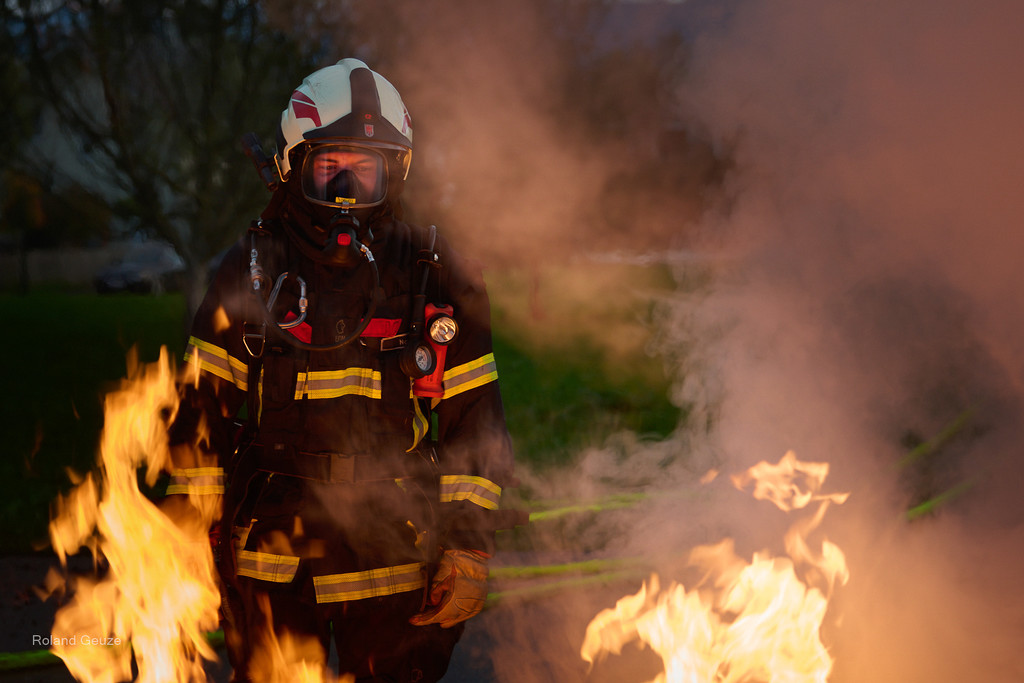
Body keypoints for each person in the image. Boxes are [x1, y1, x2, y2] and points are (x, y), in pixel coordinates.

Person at [167, 58, 516, 682]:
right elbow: (198, 415)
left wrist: (467, 545)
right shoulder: (250, 270)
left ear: (394, 173)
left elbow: (476, 425)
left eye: (365, 168)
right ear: (292, 167)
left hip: (396, 556)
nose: (347, 189)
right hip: (273, 559)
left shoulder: (436, 277)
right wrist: (186, 533)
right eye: (330, 166)